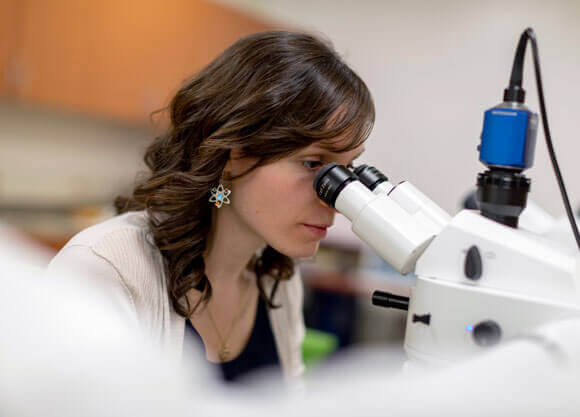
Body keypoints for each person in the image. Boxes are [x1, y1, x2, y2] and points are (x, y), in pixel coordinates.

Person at [46, 30, 374, 384]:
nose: (335, 198)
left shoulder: (279, 280)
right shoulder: (107, 268)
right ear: (234, 153)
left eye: (346, 170)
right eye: (313, 164)